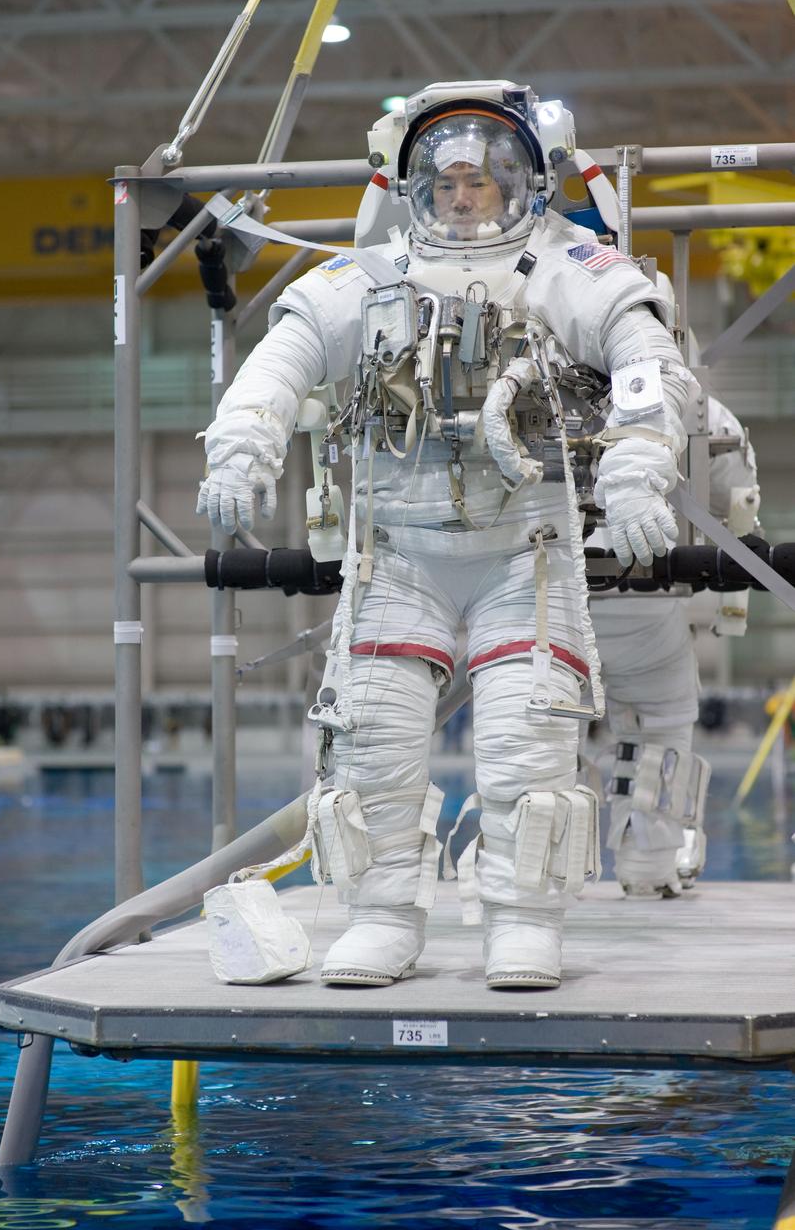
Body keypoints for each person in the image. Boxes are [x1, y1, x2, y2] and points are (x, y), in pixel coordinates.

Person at [197, 80, 697, 989]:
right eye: (447, 181)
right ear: (414, 185)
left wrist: (632, 473)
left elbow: (647, 367)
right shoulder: (366, 277)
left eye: (483, 180)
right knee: (372, 745)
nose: (464, 197)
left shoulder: (567, 269)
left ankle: (521, 925)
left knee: (527, 746)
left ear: (523, 182)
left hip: (525, 554)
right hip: (398, 554)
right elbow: (280, 359)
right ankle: (382, 918)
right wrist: (242, 449)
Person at [592, 392, 759, 896]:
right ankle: (648, 867)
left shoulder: (536, 390)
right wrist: (731, 608)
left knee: (536, 747)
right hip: (653, 597)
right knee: (658, 734)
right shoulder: (696, 408)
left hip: (550, 602)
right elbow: (742, 505)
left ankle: (527, 892)